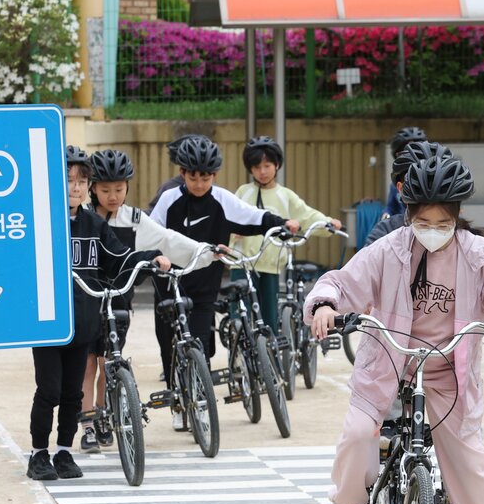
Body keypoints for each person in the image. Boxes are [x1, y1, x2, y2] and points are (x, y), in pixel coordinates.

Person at [307, 154, 484, 504]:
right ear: (409, 217)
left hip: (450, 366)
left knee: (468, 458)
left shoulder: (477, 253)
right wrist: (326, 305)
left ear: (457, 218)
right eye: (423, 221)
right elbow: (342, 280)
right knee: (357, 434)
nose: (433, 229)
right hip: (390, 360)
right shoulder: (388, 250)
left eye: (443, 221)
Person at [28, 146, 171, 479]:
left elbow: (119, 257)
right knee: (49, 390)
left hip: (85, 321)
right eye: (68, 181)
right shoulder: (42, 222)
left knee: (72, 393)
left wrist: (151, 258)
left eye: (81, 181)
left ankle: (64, 453)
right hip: (50, 322)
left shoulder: (93, 223)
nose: (75, 188)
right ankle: (38, 454)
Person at [76, 148, 222, 452]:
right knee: (88, 364)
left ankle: (104, 415)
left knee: (108, 363)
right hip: (86, 302)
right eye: (105, 190)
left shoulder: (135, 220)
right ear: (92, 188)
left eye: (119, 189)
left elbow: (168, 239)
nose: (113, 196)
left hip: (118, 303)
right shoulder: (84, 219)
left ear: (128, 187)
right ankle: (87, 423)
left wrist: (205, 251)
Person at [150, 135, 297, 430]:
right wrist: (155, 256)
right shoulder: (169, 200)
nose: (200, 184)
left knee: (201, 342)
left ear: (214, 175)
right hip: (170, 282)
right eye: (193, 177)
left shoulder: (222, 199)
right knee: (170, 343)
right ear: (182, 174)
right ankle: (178, 402)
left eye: (206, 178)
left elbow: (254, 217)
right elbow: (150, 232)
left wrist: (282, 224)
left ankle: (201, 400)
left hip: (205, 283)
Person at [232, 136, 343, 333]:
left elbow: (307, 215)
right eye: (257, 167)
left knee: (269, 320)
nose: (263, 171)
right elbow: (229, 216)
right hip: (243, 262)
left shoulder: (285, 195)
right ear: (250, 169)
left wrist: (328, 223)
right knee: (239, 316)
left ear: (277, 165)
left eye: (267, 165)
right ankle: (239, 356)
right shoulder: (243, 192)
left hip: (271, 265)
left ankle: (268, 358)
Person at [365, 140, 453, 247]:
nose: (429, 194)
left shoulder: (467, 239)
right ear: (400, 188)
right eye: (417, 185)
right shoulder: (385, 233)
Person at [383, 126, 427, 219]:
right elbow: (391, 207)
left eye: (416, 151)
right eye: (406, 152)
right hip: (402, 226)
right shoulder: (395, 185)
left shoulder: (432, 179)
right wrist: (386, 214)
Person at [147, 133, 200, 211]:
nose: (199, 185)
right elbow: (153, 213)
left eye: (205, 179)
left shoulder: (218, 193)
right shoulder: (168, 189)